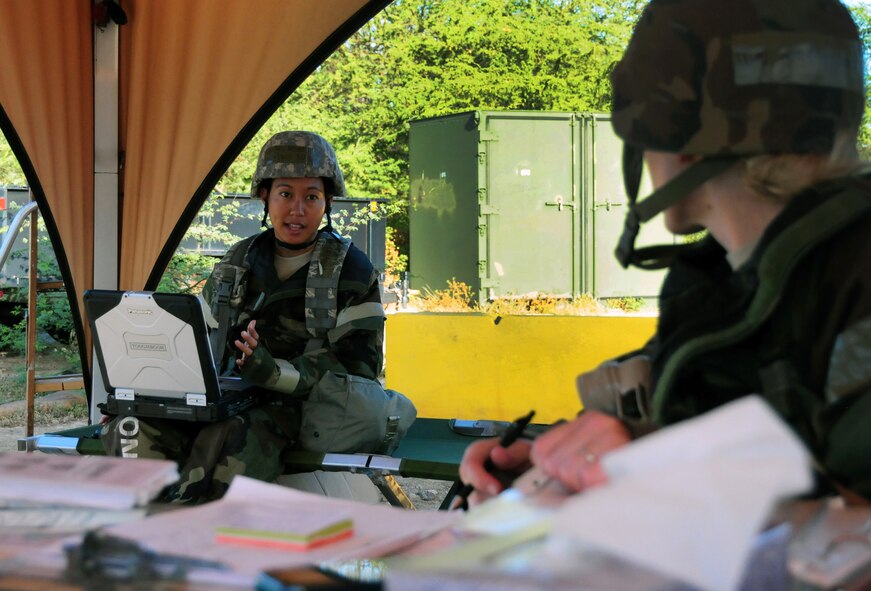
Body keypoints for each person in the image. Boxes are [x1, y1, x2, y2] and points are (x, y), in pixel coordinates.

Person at [460, 0, 871, 505]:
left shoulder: (837, 282)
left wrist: (650, 467)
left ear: (682, 144)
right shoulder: (732, 285)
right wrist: (551, 460)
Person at [102, 131, 386, 504]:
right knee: (131, 428)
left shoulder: (351, 270)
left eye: (311, 196)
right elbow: (194, 341)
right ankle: (149, 531)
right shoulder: (238, 261)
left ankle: (195, 535)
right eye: (285, 194)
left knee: (230, 436)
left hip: (297, 409)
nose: (297, 209)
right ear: (265, 197)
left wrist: (271, 371)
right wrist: (138, 397)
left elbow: (358, 369)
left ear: (327, 202)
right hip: (221, 397)